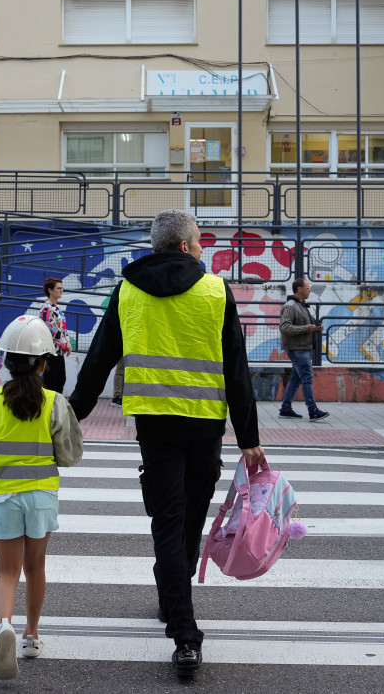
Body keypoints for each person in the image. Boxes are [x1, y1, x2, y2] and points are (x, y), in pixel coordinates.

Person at [68, 208, 263, 679]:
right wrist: (249, 439)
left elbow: (98, 358)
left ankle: (170, 595)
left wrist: (71, 414)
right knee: (185, 524)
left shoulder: (128, 289)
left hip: (155, 428)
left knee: (169, 524)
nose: (203, 250)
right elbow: (236, 368)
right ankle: (185, 632)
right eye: (199, 243)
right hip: (205, 427)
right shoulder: (216, 291)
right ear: (182, 247)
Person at [0, 315, 84, 681]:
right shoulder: (54, 402)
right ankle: (31, 635)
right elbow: (70, 456)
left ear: (6, 362)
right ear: (44, 364)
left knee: (6, 571)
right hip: (42, 496)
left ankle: (4, 627)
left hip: (3, 498)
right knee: (36, 568)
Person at [278, 277, 330, 421]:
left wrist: (316, 328)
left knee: (296, 379)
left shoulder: (301, 305)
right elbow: (284, 327)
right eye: (308, 288)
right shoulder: (290, 306)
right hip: (297, 348)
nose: (310, 290)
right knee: (307, 377)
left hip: (303, 347)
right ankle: (312, 410)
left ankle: (285, 408)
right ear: (299, 289)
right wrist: (306, 328)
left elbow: (305, 326)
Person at [39, 277, 70, 394]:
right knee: (50, 382)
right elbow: (52, 330)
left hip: (59, 351)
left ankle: (56, 408)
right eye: (58, 288)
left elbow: (63, 328)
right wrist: (65, 345)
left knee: (60, 380)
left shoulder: (57, 308)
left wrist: (68, 343)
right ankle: (49, 409)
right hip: (51, 351)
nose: (61, 290)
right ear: (50, 290)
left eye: (62, 288)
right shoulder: (46, 309)